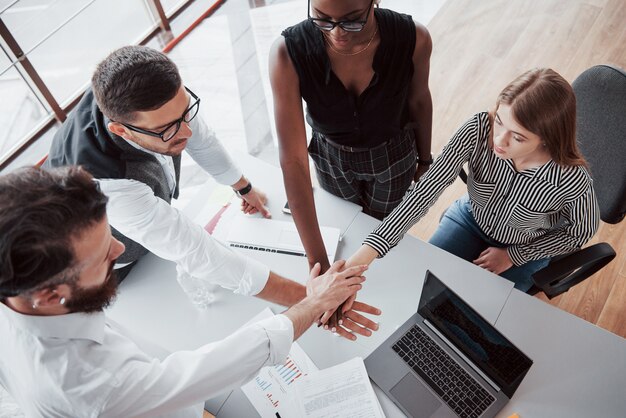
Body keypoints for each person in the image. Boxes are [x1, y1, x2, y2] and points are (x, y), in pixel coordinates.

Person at [0, 166, 372, 417]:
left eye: (110, 233)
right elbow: (197, 376)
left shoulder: (29, 293)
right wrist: (314, 302)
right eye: (101, 256)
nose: (118, 250)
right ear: (49, 295)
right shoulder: (86, 384)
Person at [346, 68, 600, 292]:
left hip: (526, 246)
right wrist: (366, 253)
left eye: (518, 137)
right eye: (500, 121)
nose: (499, 141)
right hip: (470, 219)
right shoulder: (478, 128)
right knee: (418, 285)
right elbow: (425, 191)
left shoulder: (572, 179)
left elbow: (580, 232)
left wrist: (515, 255)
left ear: (547, 138)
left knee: (479, 319)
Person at [45, 45, 272, 282]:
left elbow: (204, 142)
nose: (186, 131)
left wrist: (243, 187)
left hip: (147, 223)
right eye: (166, 129)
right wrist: (305, 300)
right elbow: (195, 251)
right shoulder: (108, 182)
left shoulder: (139, 99)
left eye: (185, 113)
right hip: (110, 260)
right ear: (121, 130)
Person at [269, 0, 433, 275]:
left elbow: (419, 100)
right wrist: (318, 264)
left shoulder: (414, 38)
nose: (337, 34)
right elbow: (293, 161)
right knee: (344, 229)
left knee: (383, 238)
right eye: (321, 19)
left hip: (393, 155)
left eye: (352, 20)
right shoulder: (286, 53)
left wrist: (425, 159)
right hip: (330, 159)